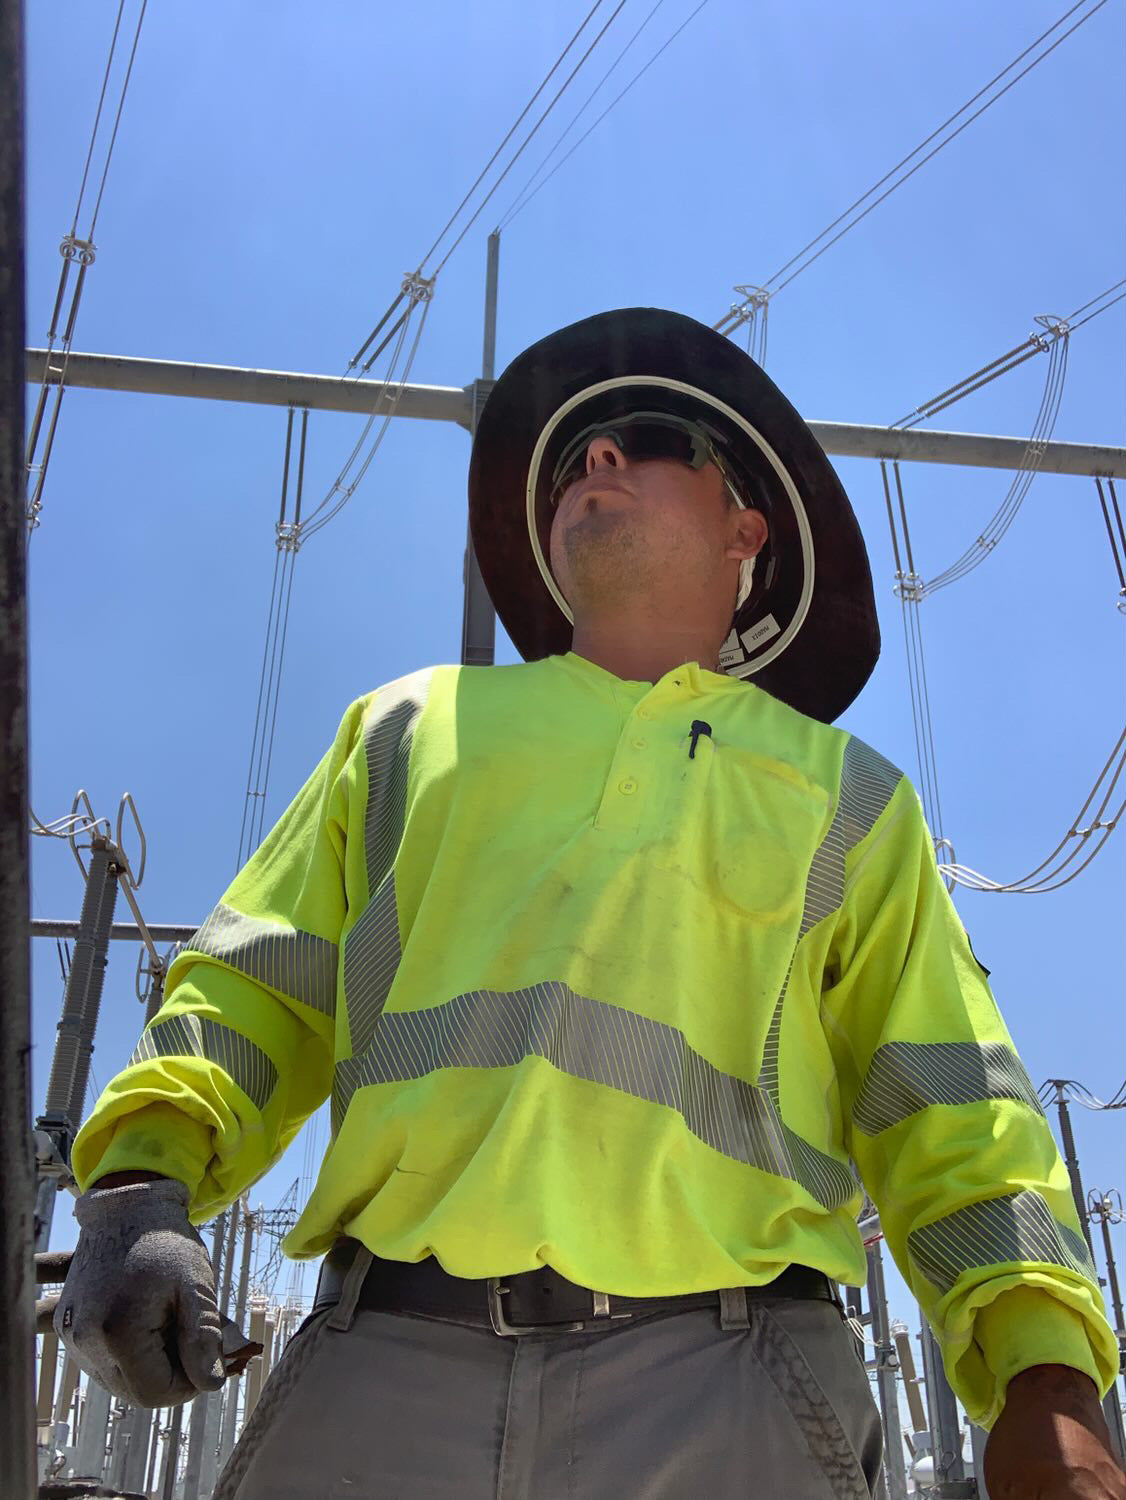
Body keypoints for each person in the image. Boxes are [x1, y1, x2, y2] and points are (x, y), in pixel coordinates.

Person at [56, 309, 1123, 1499]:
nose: (595, 460)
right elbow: (256, 986)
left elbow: (949, 1102)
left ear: (746, 531)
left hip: (733, 1384)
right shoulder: (406, 728)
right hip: (383, 1364)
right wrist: (141, 1183)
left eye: (650, 438)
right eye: (573, 458)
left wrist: (1045, 1377)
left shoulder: (848, 796)